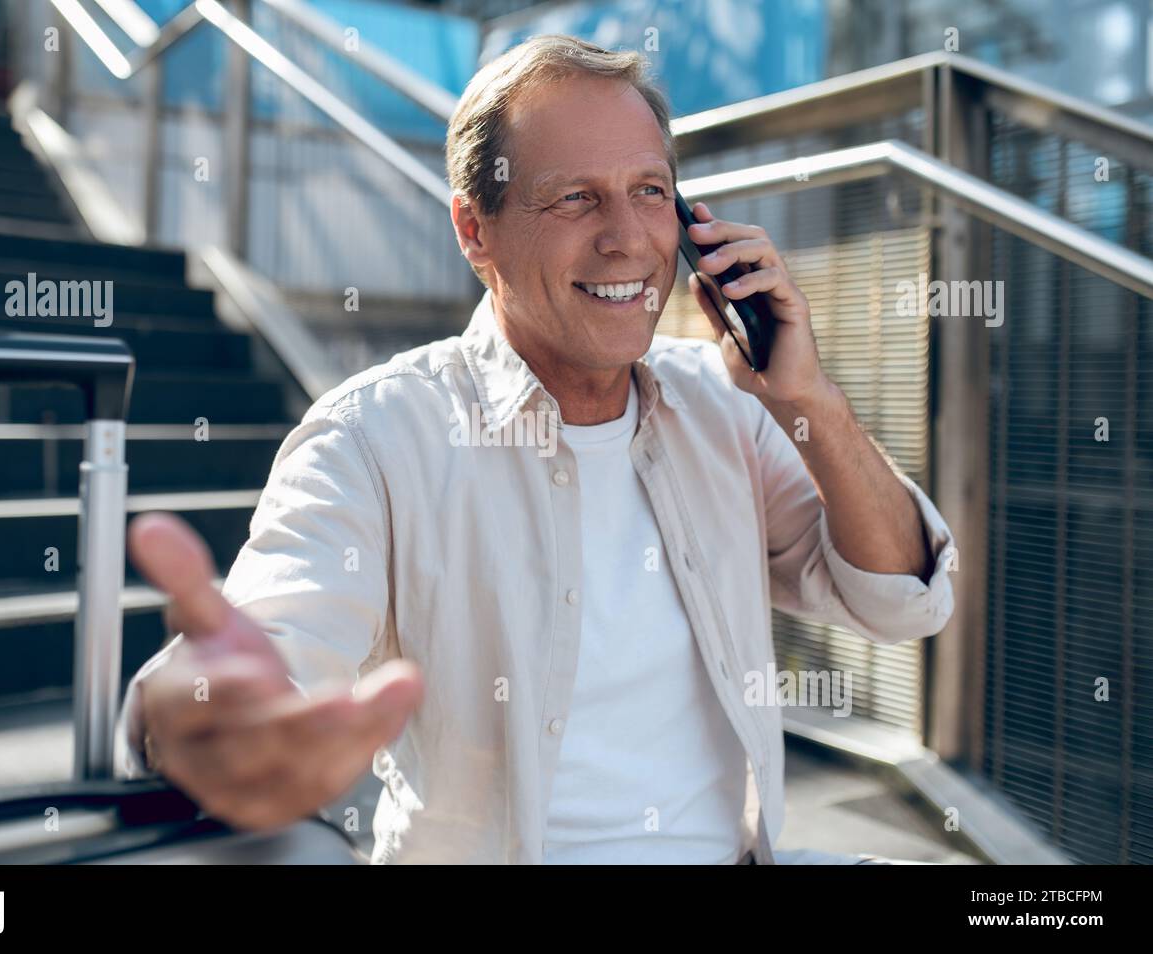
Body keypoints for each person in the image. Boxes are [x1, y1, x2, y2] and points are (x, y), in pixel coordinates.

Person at [119, 33, 956, 864]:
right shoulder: (375, 437)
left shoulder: (723, 403)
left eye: (650, 191)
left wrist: (810, 400)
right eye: (576, 199)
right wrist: (213, 712)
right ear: (475, 231)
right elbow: (273, 646)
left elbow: (901, 602)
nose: (629, 238)